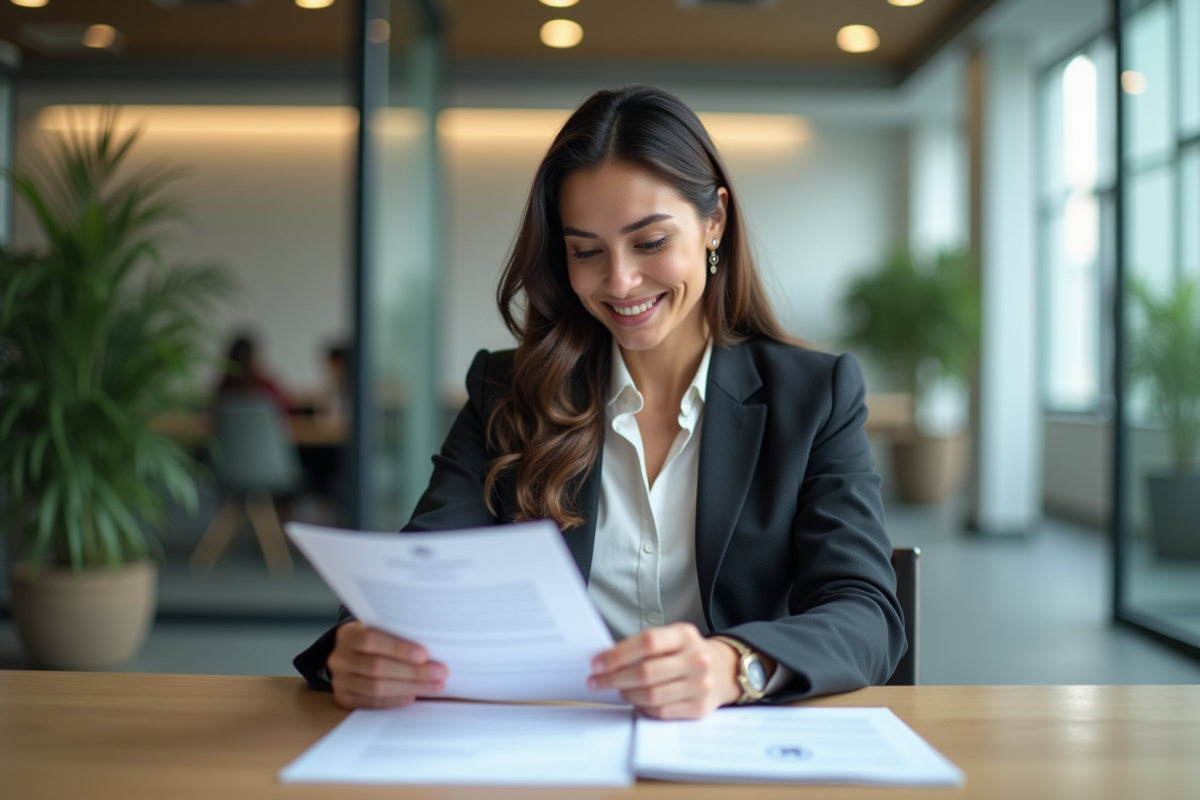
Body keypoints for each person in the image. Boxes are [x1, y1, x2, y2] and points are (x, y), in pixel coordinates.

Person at [295, 86, 905, 719]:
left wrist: (735, 665)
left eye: (649, 242)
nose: (619, 282)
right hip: (543, 744)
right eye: (586, 251)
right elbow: (416, 574)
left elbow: (865, 612)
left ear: (714, 221)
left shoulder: (814, 396)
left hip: (730, 745)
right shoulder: (506, 393)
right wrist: (357, 647)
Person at [214, 333, 291, 418]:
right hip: (263, 431)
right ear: (254, 358)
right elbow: (285, 414)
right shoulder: (267, 388)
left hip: (228, 431)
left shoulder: (222, 388)